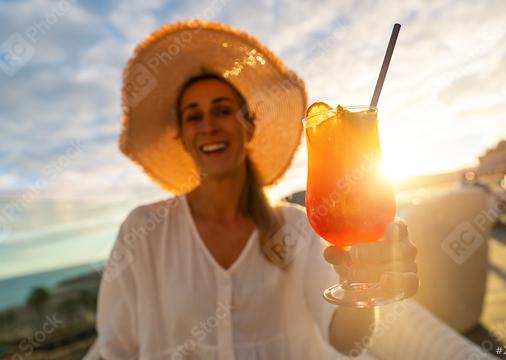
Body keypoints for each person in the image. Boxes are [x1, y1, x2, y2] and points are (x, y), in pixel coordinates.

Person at [84, 20, 420, 360]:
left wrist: (365, 284)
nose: (209, 126)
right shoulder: (143, 231)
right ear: (182, 136)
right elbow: (115, 348)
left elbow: (347, 341)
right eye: (193, 116)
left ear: (249, 126)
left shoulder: (297, 227)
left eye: (223, 110)